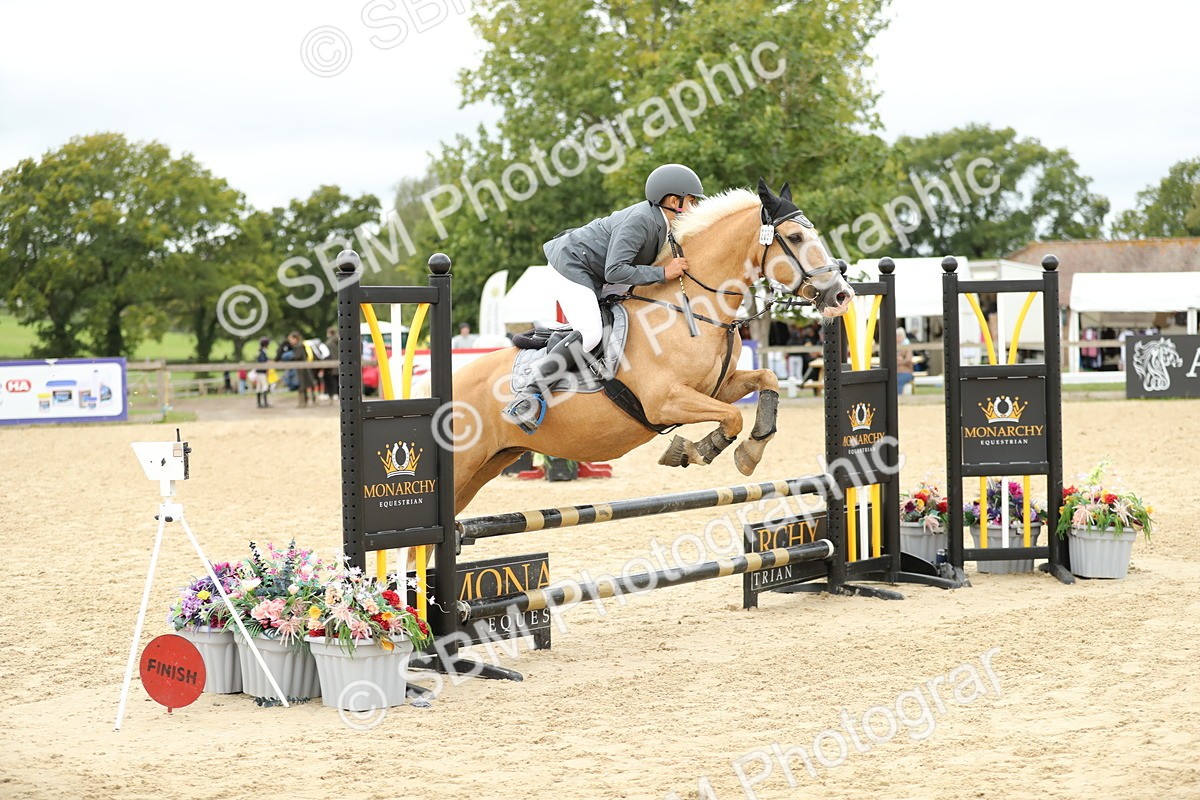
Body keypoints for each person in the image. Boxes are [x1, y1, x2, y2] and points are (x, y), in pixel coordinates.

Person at [502, 163, 705, 433]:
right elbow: (615, 270)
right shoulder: (642, 220)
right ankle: (530, 394)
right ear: (672, 201)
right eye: (691, 201)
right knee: (591, 334)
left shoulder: (664, 226)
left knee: (628, 316)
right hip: (572, 265)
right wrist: (662, 273)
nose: (695, 207)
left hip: (599, 273)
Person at [251, 336, 272, 408]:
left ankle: (259, 403)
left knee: (259, 387)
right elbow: (263, 362)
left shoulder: (261, 352)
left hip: (259, 372)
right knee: (264, 386)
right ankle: (265, 403)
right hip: (261, 372)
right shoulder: (263, 353)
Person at [322, 326, 339, 403]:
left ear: (329, 333)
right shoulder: (340, 340)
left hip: (331, 363)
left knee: (332, 379)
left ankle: (333, 393)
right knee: (339, 379)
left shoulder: (328, 343)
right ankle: (338, 393)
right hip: (340, 362)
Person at [896, 327, 914, 395]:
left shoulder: (907, 346)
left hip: (906, 372)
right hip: (897, 372)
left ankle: (899, 397)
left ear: (900, 336)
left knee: (899, 380)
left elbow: (908, 360)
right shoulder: (896, 347)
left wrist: (899, 362)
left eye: (897, 336)